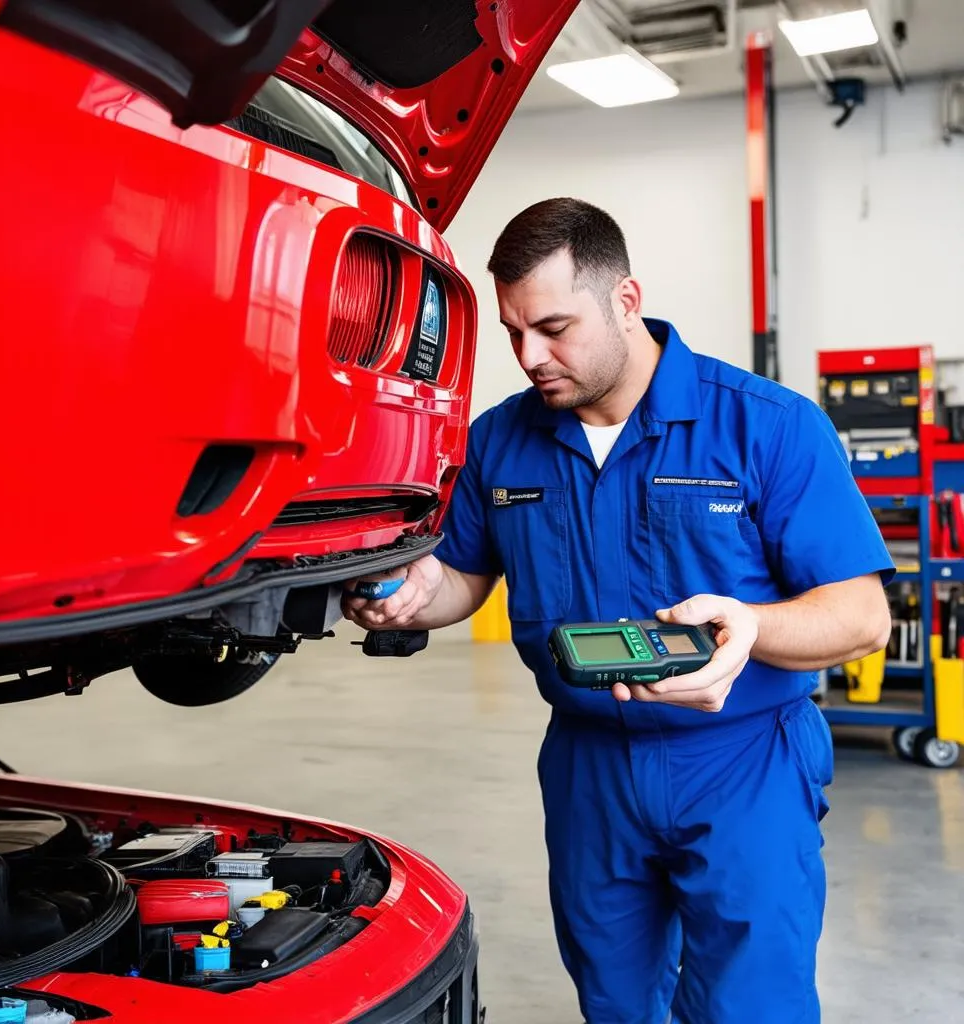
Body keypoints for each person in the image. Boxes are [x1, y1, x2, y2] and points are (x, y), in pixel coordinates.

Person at [343, 198, 893, 1024]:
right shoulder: (500, 440)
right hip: (588, 768)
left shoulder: (767, 427)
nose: (530, 357)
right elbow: (463, 576)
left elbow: (861, 616)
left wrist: (755, 628)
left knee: (753, 1005)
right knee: (616, 1001)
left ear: (625, 300)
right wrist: (414, 601)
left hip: (743, 764)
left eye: (555, 328)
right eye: (513, 331)